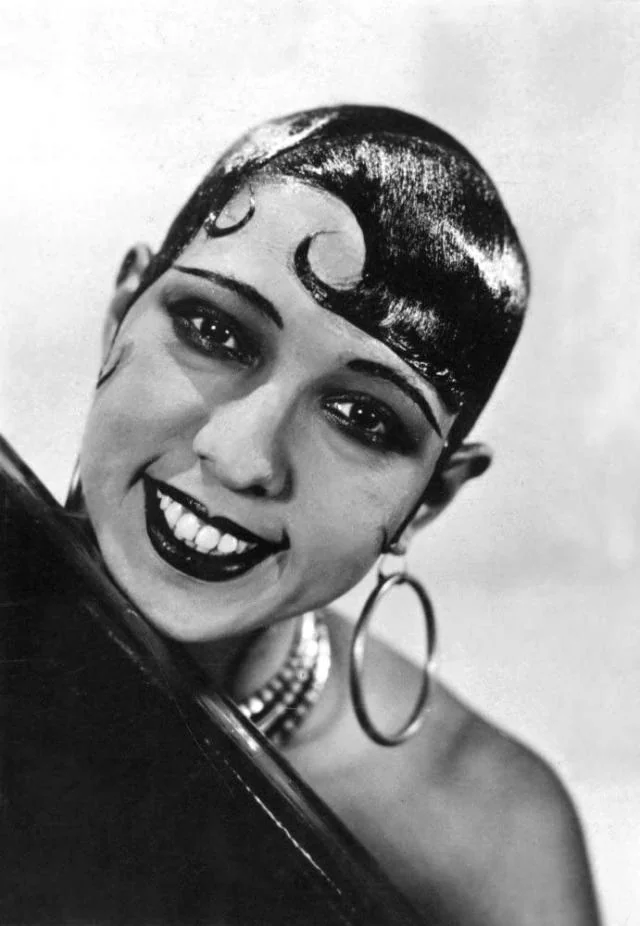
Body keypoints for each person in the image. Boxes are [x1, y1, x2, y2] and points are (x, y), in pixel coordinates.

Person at [73, 105, 600, 924]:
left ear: (431, 498)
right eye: (214, 330)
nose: (243, 457)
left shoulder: (489, 836)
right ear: (118, 317)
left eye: (362, 418)